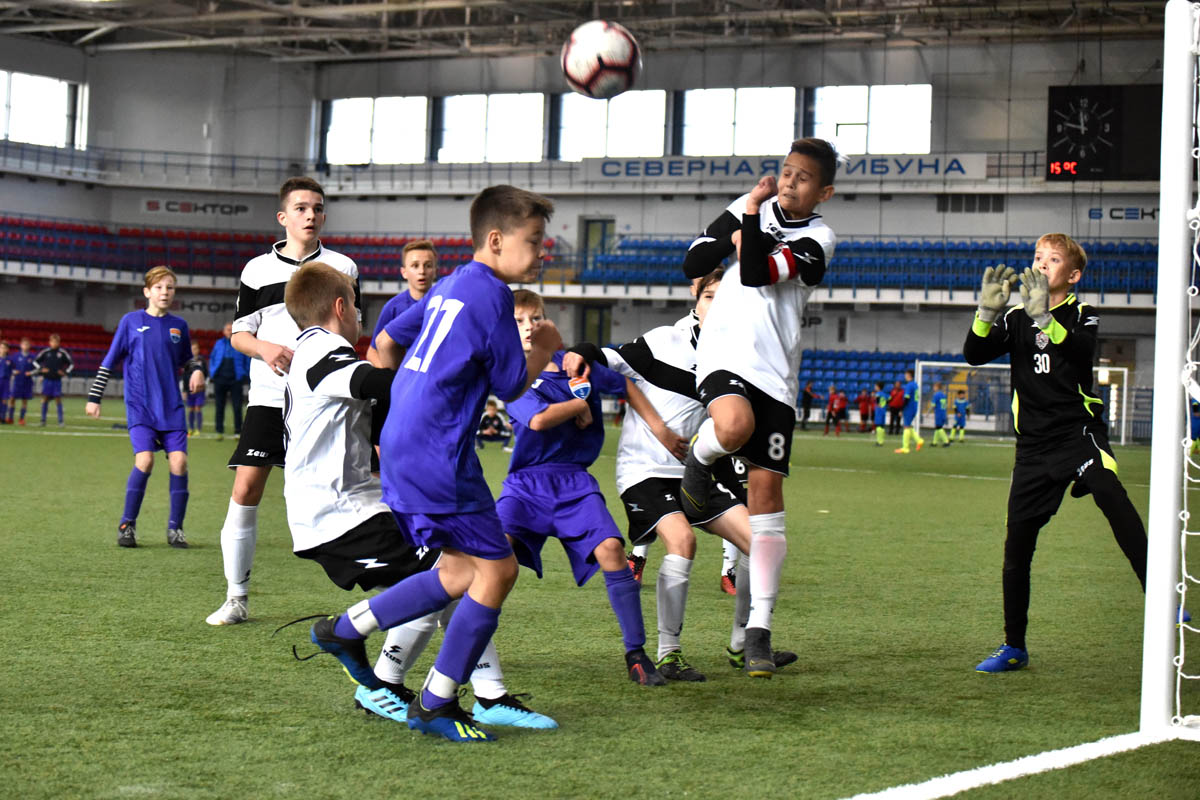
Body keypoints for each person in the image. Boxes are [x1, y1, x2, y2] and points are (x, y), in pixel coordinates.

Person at [313, 184, 562, 743]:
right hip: (438, 452)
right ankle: (436, 702)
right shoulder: (493, 295)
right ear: (495, 240)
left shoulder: (450, 284)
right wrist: (545, 348)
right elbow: (509, 386)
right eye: (534, 240)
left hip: (405, 442)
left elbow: (386, 339)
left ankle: (345, 630)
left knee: (456, 573)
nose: (542, 251)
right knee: (498, 571)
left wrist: (406, 401)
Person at [679, 137, 839, 676]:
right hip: (725, 353)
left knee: (766, 502)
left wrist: (746, 222)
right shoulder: (753, 205)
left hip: (776, 371)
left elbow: (754, 270)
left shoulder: (820, 238)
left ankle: (759, 634)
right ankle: (699, 460)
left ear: (824, 192)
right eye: (787, 172)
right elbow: (695, 261)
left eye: (803, 177)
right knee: (732, 424)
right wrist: (747, 210)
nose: (790, 182)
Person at [592, 269, 797, 680]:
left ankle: (743, 643)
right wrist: (575, 358)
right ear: (696, 299)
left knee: (759, 543)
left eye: (728, 300)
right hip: (645, 470)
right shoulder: (663, 340)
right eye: (710, 297)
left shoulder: (736, 356)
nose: (718, 306)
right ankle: (669, 653)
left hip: (693, 471)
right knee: (682, 541)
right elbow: (603, 360)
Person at [965, 234, 1148, 673]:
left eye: (1053, 258)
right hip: (1032, 448)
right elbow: (974, 354)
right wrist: (985, 314)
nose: (1042, 263)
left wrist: (1045, 318)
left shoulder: (1083, 313)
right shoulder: (1014, 318)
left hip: (1076, 434)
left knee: (1109, 491)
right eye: (1037, 257)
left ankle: (1163, 597)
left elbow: (1080, 353)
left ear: (1073, 275)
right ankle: (1014, 647)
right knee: (1017, 546)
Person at [206, 176, 359, 626]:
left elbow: (353, 330)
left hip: (324, 400)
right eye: (301, 208)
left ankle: (401, 589)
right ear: (283, 217)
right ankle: (236, 597)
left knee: (349, 491)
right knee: (246, 489)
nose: (311, 215)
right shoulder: (257, 270)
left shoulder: (343, 267)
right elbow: (239, 334)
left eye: (317, 208)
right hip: (270, 397)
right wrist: (265, 348)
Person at [500, 288, 666, 687]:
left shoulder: (573, 364)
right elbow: (539, 419)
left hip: (574, 481)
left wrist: (660, 428)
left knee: (611, 550)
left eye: (535, 318)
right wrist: (580, 406)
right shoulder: (510, 375)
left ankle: (636, 654)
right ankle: (466, 639)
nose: (528, 327)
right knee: (491, 556)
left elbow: (625, 386)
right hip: (525, 485)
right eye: (519, 321)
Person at [86, 266, 205, 548]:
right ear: (147, 292)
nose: (165, 292)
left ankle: (175, 529)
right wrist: (94, 397)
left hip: (171, 407)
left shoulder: (179, 326)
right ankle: (127, 525)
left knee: (179, 462)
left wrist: (197, 370)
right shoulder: (130, 322)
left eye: (170, 288)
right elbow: (109, 360)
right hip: (140, 406)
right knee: (145, 460)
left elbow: (188, 360)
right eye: (159, 287)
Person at [365, 239, 438, 367]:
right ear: (404, 272)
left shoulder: (446, 304)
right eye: (415, 265)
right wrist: (390, 376)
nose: (422, 271)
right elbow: (372, 352)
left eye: (428, 265)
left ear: (435, 271)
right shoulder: (393, 307)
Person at [208, 322, 250, 441]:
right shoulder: (218, 343)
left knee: (237, 406)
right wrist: (212, 372)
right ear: (224, 331)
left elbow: (247, 359)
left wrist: (245, 373)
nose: (230, 331)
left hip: (236, 379)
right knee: (219, 406)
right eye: (227, 329)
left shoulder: (241, 343)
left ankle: (238, 431)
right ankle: (219, 431)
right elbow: (212, 358)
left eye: (231, 329)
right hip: (220, 379)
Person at [33, 333, 73, 427]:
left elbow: (71, 364)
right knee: (45, 399)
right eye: (53, 342)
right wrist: (41, 369)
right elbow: (35, 362)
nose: (54, 343)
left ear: (59, 343)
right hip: (47, 380)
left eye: (56, 342)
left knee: (58, 399)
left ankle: (61, 421)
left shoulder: (62, 353)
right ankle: (43, 420)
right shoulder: (45, 352)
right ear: (49, 342)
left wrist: (65, 372)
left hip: (57, 381)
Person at [894, 369, 925, 454]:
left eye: (906, 374)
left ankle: (905, 448)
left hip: (909, 408)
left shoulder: (909, 385)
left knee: (906, 427)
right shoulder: (915, 385)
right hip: (914, 407)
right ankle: (919, 440)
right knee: (908, 426)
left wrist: (902, 409)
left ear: (908, 375)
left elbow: (906, 398)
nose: (905, 376)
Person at [8, 336, 35, 425]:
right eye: (24, 344)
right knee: (12, 399)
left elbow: (38, 368)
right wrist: (14, 372)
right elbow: (9, 367)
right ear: (20, 345)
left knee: (24, 400)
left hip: (27, 382)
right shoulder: (15, 356)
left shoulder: (32, 357)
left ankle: (21, 419)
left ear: (29, 346)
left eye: (27, 344)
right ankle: (10, 418)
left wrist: (31, 373)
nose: (25, 346)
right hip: (17, 381)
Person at [184, 341, 207, 436]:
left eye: (195, 349)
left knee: (198, 407)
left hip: (199, 389)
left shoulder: (202, 360)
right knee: (191, 408)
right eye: (192, 349)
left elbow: (206, 373)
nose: (194, 351)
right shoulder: (187, 361)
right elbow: (185, 376)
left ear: (198, 349)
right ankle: (191, 428)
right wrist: (184, 390)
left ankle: (198, 428)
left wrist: (203, 383)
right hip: (190, 389)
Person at [928, 382, 950, 447]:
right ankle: (934, 442)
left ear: (937, 387)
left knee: (939, 428)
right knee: (937, 428)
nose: (933, 388)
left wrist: (928, 412)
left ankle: (946, 441)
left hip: (938, 413)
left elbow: (933, 405)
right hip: (943, 413)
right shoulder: (943, 395)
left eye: (934, 387)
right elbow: (945, 405)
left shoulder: (936, 395)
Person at [872, 381, 889, 446]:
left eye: (875, 386)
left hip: (879, 411)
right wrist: (885, 404)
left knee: (878, 426)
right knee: (882, 426)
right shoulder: (884, 394)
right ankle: (881, 441)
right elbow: (889, 398)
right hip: (883, 410)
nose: (875, 387)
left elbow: (877, 399)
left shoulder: (878, 393)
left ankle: (879, 441)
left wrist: (878, 403)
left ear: (878, 387)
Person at [0, 341, 11, 424]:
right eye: (1, 347)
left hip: (6, 382)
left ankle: (3, 418)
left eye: (4, 348)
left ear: (7, 349)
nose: (2, 349)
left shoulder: (10, 360)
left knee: (4, 400)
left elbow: (15, 369)